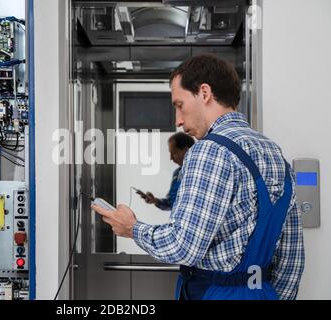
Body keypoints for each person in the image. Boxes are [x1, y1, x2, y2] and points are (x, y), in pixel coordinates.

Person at [92, 54, 305, 300]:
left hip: (213, 292)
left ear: (204, 93)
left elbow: (183, 247)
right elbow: (291, 260)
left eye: (179, 105)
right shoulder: (274, 153)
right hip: (263, 293)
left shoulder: (208, 150)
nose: (178, 121)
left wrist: (132, 228)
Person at [142, 132, 194, 211]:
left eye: (174, 153)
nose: (171, 158)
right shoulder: (177, 173)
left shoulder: (199, 173)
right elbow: (170, 204)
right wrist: (154, 200)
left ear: (186, 151)